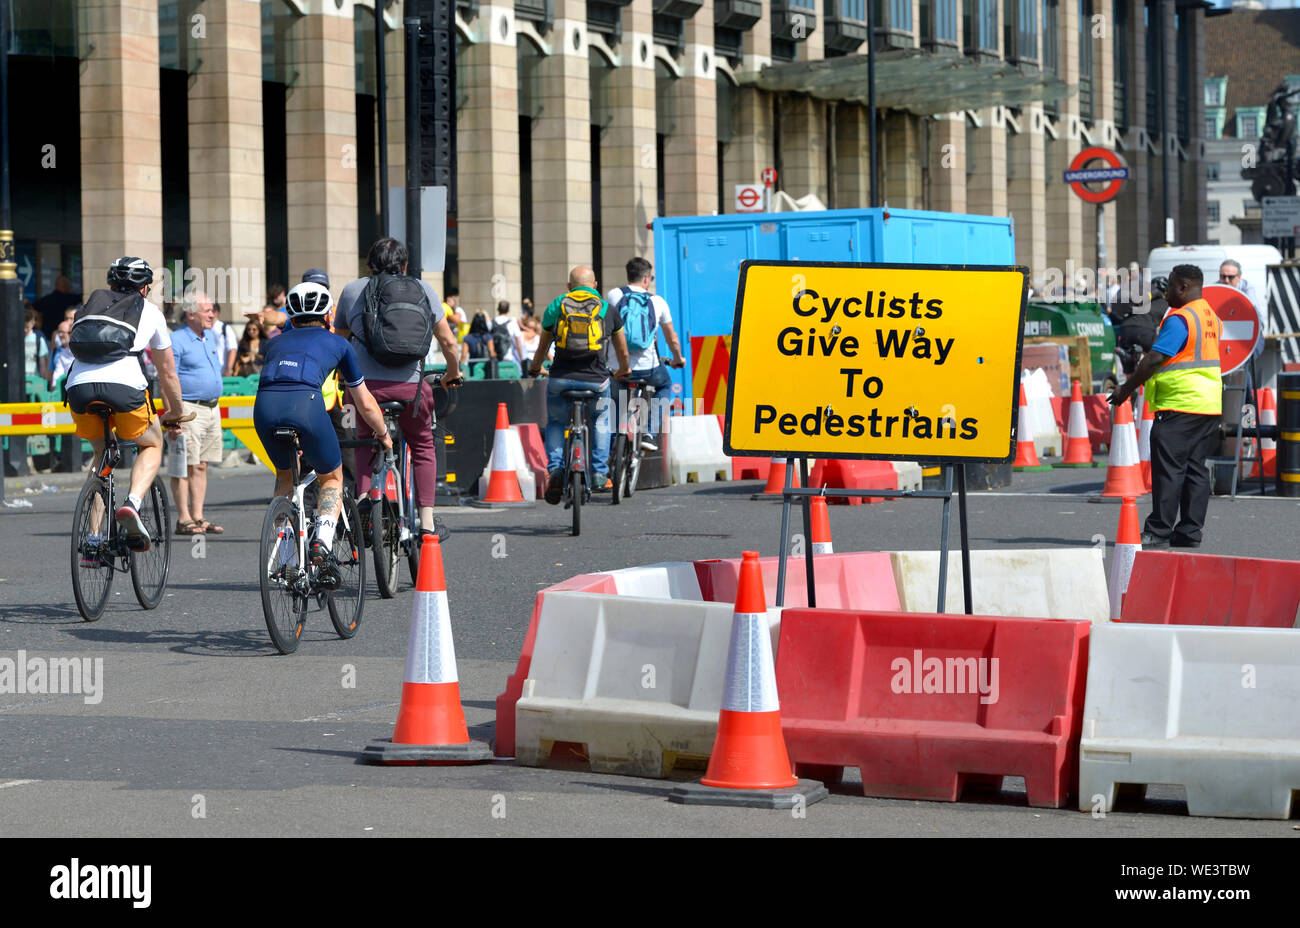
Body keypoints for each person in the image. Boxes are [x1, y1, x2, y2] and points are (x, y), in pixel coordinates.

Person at [253, 282, 394, 576]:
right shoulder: (340, 344)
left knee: (286, 476)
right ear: (328, 314)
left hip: (265, 408)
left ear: (291, 314)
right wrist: (382, 433)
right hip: (307, 405)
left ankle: (287, 559)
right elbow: (365, 402)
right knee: (331, 477)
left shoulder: (275, 343)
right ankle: (322, 544)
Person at [334, 237, 463, 544]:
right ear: (405, 266)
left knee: (366, 441)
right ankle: (427, 523)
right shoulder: (424, 289)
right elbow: (448, 342)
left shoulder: (353, 291)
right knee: (422, 445)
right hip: (411, 391)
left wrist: (343, 379)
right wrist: (452, 374)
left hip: (365, 392)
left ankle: (366, 504)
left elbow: (338, 343)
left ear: (369, 265)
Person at [65, 257, 186, 552]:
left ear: (110, 285)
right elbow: (167, 372)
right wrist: (177, 412)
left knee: (100, 455)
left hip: (78, 387)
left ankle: (93, 539)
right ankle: (132, 504)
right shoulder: (151, 312)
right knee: (152, 445)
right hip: (125, 386)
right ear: (145, 288)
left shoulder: (89, 307)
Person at [1108, 264, 1222, 549]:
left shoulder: (1181, 318)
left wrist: (1126, 389)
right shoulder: (1210, 316)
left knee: (1169, 470)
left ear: (1182, 287)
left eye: (1170, 286)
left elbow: (1155, 359)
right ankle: (1189, 532)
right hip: (1207, 405)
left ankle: (1158, 531)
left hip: (1179, 404)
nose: (1165, 292)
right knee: (1196, 470)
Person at [528, 265, 630, 500]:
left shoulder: (557, 306)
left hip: (560, 379)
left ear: (568, 287)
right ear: (595, 285)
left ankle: (555, 469)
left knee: (555, 422)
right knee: (601, 421)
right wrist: (623, 370)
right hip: (596, 380)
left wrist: (535, 369)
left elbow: (543, 347)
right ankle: (598, 474)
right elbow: (622, 351)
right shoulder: (607, 309)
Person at [603, 256, 686, 449]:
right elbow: (672, 338)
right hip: (648, 369)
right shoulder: (658, 301)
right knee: (664, 385)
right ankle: (649, 432)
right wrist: (677, 358)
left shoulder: (613, 295)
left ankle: (613, 445)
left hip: (618, 367)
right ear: (646, 278)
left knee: (615, 400)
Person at [169, 292, 227, 535]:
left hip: (212, 408)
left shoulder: (209, 337)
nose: (212, 314)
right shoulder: (177, 340)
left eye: (212, 309)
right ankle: (183, 518)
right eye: (206, 310)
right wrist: (174, 414)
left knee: (201, 464)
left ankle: (198, 516)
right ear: (190, 313)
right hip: (188, 408)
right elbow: (168, 378)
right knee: (183, 464)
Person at [1218, 260, 1265, 360]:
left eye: (1230, 277)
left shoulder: (1247, 289)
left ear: (1239, 277)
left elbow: (1256, 314)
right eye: (1223, 276)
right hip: (1224, 334)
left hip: (1249, 335)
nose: (1226, 280)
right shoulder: (1216, 288)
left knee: (1245, 362)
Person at [35, 274, 82, 341]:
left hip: (48, 334)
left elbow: (34, 308)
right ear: (65, 286)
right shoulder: (70, 299)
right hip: (58, 335)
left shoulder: (46, 299)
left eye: (71, 319)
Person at [491, 300, 523, 367]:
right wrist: (521, 359)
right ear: (508, 310)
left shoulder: (491, 322)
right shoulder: (512, 323)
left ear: (498, 309)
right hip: (508, 356)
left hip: (494, 357)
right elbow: (518, 344)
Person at [23, 307, 50, 382]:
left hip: (34, 380)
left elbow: (42, 363)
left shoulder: (38, 339)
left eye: (27, 327)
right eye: (23, 326)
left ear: (33, 323)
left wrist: (42, 381)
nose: (25, 330)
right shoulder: (16, 339)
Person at [49, 318, 75, 387]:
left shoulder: (80, 350)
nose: (60, 335)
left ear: (70, 333)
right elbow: (56, 373)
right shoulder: (58, 352)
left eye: (62, 332)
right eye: (59, 332)